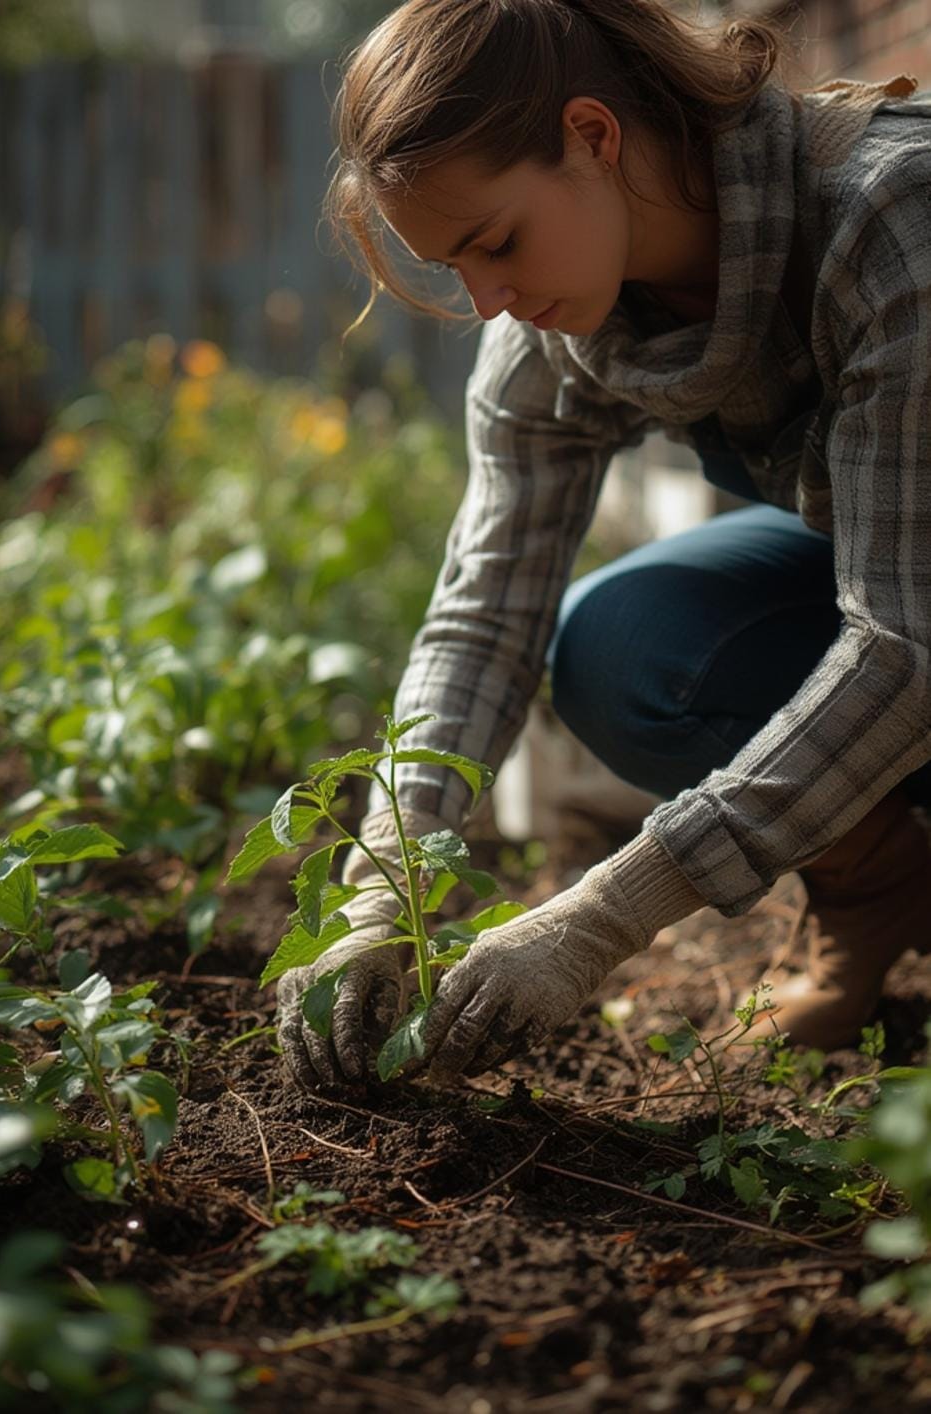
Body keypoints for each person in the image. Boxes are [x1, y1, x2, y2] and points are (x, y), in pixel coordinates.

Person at [277, 0, 931, 1092]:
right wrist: (381, 889)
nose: (490, 301)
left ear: (592, 134)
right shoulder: (557, 332)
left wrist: (601, 916)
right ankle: (879, 888)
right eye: (455, 267)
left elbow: (907, 646)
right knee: (630, 650)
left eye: (495, 242)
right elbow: (483, 616)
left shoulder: (887, 220)